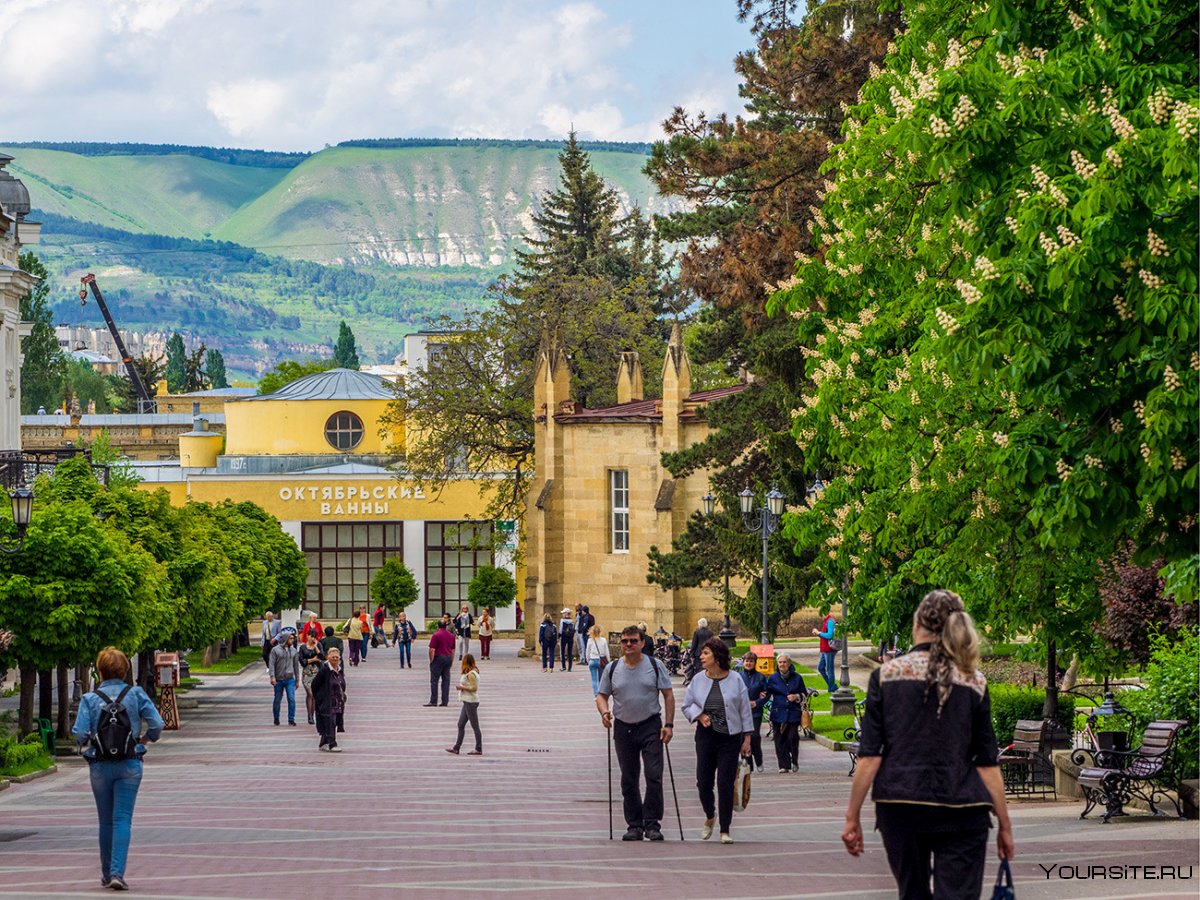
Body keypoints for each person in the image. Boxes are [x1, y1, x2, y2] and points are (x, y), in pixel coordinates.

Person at [843, 590, 1014, 899]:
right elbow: (987, 762)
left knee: (913, 894)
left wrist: (852, 816)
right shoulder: (973, 681)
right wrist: (1005, 823)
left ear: (917, 622)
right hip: (964, 808)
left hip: (901, 805)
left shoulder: (885, 676)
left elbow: (870, 757)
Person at [72, 647, 164, 891]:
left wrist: (89, 738)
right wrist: (144, 740)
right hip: (130, 763)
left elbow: (80, 734)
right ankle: (117, 872)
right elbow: (158, 724)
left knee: (105, 821)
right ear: (125, 670)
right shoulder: (135, 694)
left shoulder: (90, 699)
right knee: (123, 819)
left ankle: (105, 873)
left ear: (99, 672)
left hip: (100, 766)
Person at [596, 624, 675, 842]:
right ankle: (634, 825)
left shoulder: (654, 665)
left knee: (653, 775)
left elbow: (668, 695)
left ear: (641, 643)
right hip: (623, 727)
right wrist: (604, 712)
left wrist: (669, 724)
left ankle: (652, 824)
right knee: (628, 779)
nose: (628, 645)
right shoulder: (612, 668)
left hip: (651, 725)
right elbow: (601, 696)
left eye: (633, 640)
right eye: (624, 641)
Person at [682, 638, 752, 843]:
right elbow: (686, 706)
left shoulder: (735, 679)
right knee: (703, 782)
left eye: (705, 653)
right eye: (702, 654)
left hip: (730, 738)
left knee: (725, 783)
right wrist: (699, 715)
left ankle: (725, 829)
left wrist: (747, 738)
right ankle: (710, 816)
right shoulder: (697, 680)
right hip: (706, 737)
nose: (701, 657)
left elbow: (744, 709)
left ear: (717, 656)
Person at [766, 653, 808, 772]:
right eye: (780, 662)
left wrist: (796, 696)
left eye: (784, 662)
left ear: (789, 664)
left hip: (793, 712)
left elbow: (804, 693)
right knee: (779, 739)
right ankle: (784, 765)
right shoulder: (773, 678)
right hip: (778, 712)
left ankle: (794, 760)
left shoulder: (797, 678)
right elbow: (767, 692)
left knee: (792, 737)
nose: (782, 665)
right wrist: (761, 697)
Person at [445, 653, 483, 755]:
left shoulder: (471, 674)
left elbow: (474, 688)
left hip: (471, 701)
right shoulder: (470, 672)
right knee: (460, 724)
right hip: (466, 701)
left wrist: (461, 687)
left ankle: (478, 748)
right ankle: (456, 747)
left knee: (475, 726)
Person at [311, 648, 346, 752]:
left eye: (337, 657)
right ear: (328, 657)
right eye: (333, 657)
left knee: (333, 722)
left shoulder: (339, 669)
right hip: (327, 701)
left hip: (337, 701)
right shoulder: (324, 670)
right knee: (329, 721)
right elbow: (314, 685)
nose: (335, 659)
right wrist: (319, 697)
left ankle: (323, 743)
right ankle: (332, 744)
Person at [739, 651, 769, 772]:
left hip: (755, 711)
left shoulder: (761, 677)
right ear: (743, 662)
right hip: (741, 712)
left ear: (755, 663)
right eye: (747, 661)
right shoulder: (738, 676)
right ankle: (748, 762)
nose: (748, 663)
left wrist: (757, 702)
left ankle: (759, 760)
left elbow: (766, 694)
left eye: (751, 661)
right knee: (742, 738)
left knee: (755, 736)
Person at [269, 629, 301, 726]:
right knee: (277, 698)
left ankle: (291, 719)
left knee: (291, 698)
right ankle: (276, 718)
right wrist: (272, 677)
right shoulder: (275, 650)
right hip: (279, 679)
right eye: (290, 638)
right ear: (286, 639)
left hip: (289, 678)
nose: (292, 640)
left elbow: (296, 666)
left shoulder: (294, 650)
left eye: (293, 638)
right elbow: (271, 664)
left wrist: (297, 680)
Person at [298, 630, 326, 726]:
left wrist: (316, 648)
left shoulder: (318, 645)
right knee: (309, 693)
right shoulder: (302, 647)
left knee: (314, 694)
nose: (312, 638)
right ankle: (309, 714)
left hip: (316, 672)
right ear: (307, 636)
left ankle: (312, 715)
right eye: (311, 636)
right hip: (307, 672)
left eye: (314, 636)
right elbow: (302, 661)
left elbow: (322, 657)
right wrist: (313, 659)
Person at [426, 619, 456, 706]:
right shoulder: (451, 636)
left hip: (438, 658)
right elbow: (453, 650)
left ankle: (433, 701)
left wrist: (431, 660)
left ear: (438, 626)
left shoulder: (436, 635)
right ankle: (445, 701)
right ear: (446, 626)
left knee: (434, 680)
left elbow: (432, 649)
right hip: (447, 658)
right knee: (446, 680)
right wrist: (451, 660)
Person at [812, 611, 838, 692]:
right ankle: (832, 686)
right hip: (824, 649)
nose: (820, 615)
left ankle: (831, 690)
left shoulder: (830, 621)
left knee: (830, 670)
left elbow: (830, 635)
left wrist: (819, 633)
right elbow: (825, 634)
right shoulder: (826, 621)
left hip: (829, 649)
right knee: (820, 668)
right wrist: (818, 633)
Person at [584, 624, 609, 696]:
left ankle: (596, 694)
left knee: (594, 679)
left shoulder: (590, 640)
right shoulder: (603, 640)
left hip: (592, 659)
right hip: (601, 660)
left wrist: (588, 660)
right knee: (601, 679)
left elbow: (587, 651)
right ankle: (601, 693)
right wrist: (608, 661)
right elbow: (606, 652)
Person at [558, 607, 576, 672]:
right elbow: (574, 630)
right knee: (569, 652)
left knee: (562, 652)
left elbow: (560, 630)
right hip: (570, 638)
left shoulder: (562, 621)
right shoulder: (572, 621)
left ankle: (563, 666)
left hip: (564, 637)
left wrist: (559, 637)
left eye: (563, 613)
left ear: (566, 613)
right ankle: (570, 667)